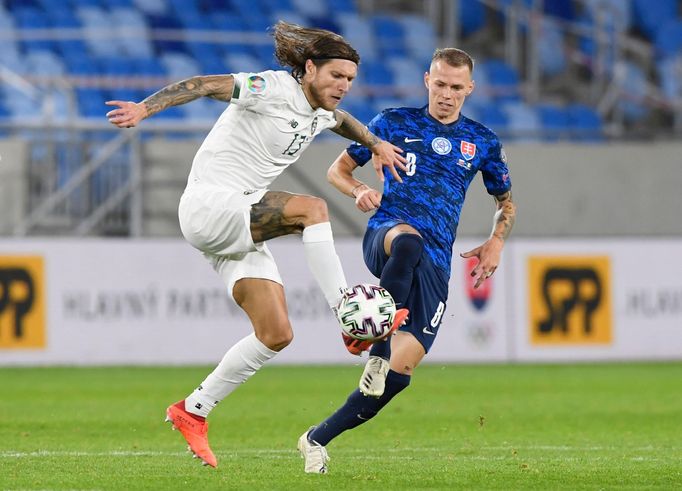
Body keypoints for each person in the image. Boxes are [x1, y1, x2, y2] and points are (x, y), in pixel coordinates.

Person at [105, 21, 407, 468]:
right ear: (309, 68)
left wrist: (376, 142)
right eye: (335, 76)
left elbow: (341, 121)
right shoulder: (272, 88)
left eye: (349, 80)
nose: (342, 87)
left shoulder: (322, 109)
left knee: (276, 334)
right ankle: (347, 314)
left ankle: (193, 410)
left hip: (237, 220)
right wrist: (146, 109)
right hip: (211, 206)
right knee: (312, 210)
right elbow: (205, 84)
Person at [297, 47, 517, 474]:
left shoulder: (483, 142)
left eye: (456, 87)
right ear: (426, 81)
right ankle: (376, 351)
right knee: (409, 244)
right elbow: (336, 172)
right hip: (389, 236)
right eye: (440, 84)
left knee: (397, 378)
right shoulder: (391, 123)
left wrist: (495, 242)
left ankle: (315, 439)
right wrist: (358, 190)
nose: (447, 95)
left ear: (469, 89)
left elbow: (506, 202)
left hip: (436, 263)